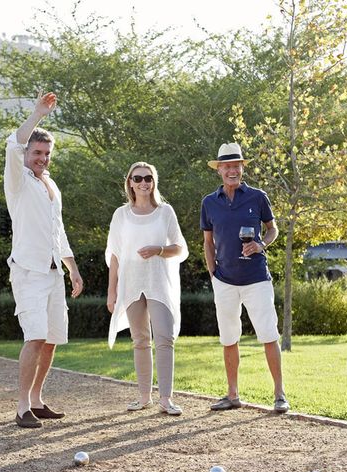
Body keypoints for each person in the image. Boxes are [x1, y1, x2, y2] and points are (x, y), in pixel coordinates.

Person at [5, 90, 84, 428]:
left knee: (51, 340)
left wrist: (73, 269)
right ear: (27, 153)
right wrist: (37, 114)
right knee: (35, 337)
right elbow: (14, 143)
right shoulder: (17, 181)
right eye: (37, 152)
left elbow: (58, 231)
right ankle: (22, 407)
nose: (42, 158)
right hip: (28, 273)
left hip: (53, 275)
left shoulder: (51, 185)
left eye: (47, 153)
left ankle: (37, 399)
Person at [200, 142, 289, 413]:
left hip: (256, 279)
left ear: (242, 168)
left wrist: (262, 245)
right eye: (227, 166)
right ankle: (232, 394)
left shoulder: (258, 197)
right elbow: (207, 241)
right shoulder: (209, 202)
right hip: (224, 281)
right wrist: (212, 271)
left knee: (268, 334)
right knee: (229, 338)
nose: (232, 170)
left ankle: (279, 395)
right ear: (219, 170)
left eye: (237, 166)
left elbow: (272, 229)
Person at [106, 162, 188, 416]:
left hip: (159, 282)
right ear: (129, 182)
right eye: (138, 178)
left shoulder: (165, 212)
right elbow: (115, 255)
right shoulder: (121, 215)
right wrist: (112, 290)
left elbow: (180, 249)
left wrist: (158, 250)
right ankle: (144, 397)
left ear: (154, 182)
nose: (143, 183)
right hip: (131, 283)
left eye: (148, 178)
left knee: (164, 337)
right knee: (140, 340)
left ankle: (166, 399)